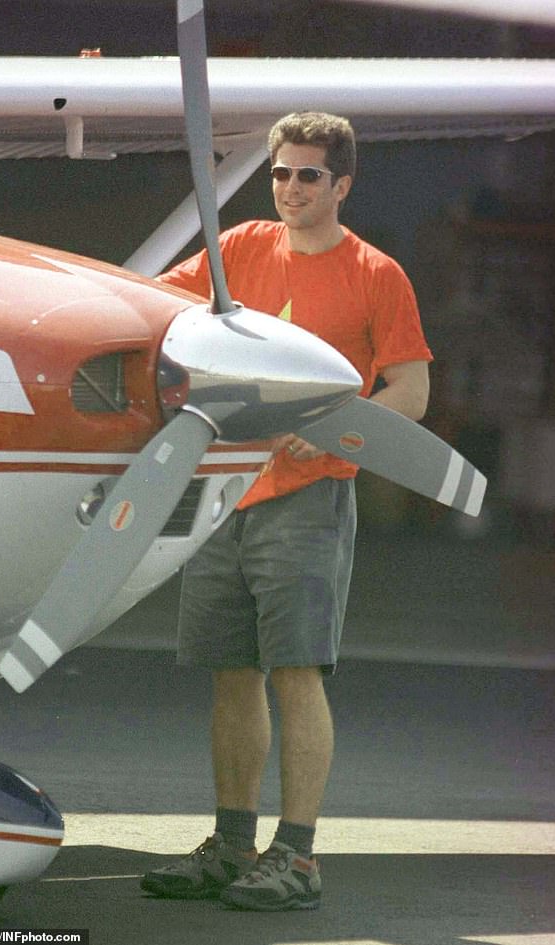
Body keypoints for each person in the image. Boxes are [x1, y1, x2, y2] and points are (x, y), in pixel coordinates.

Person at [141, 111, 432, 911]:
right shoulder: (239, 249)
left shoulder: (377, 273)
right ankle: (234, 843)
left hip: (311, 497)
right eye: (279, 173)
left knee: (295, 672)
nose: (290, 188)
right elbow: (157, 310)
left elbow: (410, 386)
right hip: (224, 489)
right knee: (231, 673)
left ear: (341, 184)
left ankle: (296, 857)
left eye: (308, 175)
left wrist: (338, 431)